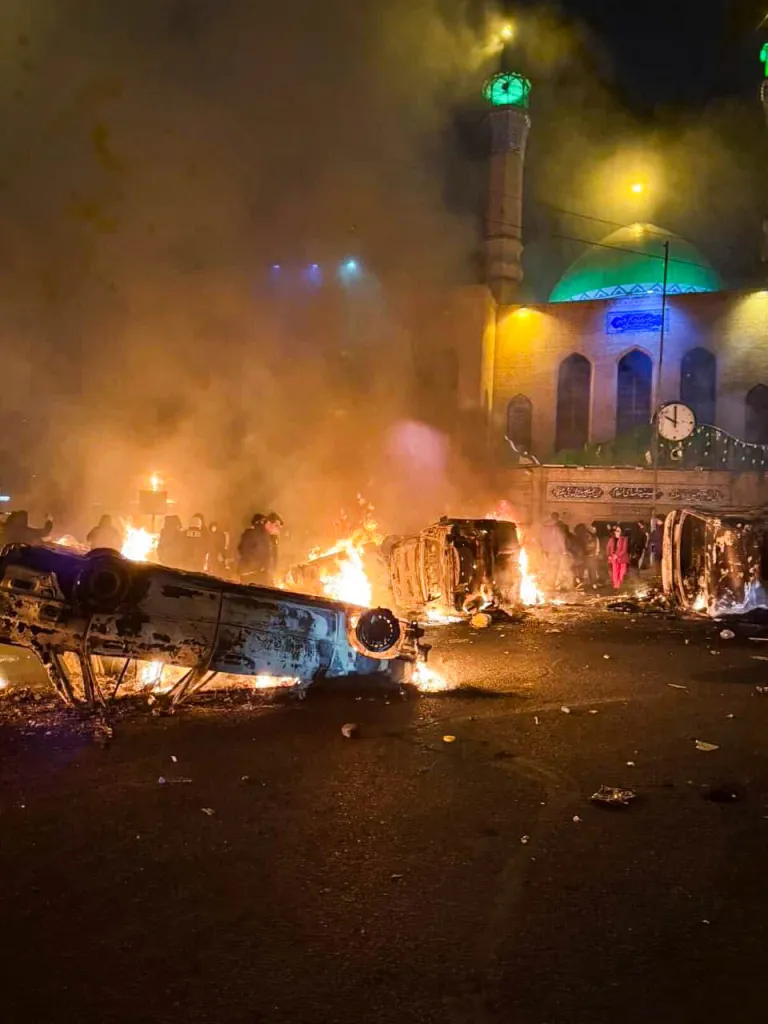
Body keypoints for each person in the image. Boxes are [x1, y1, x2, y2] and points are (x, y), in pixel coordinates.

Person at [237, 511, 283, 585]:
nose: (278, 530)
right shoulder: (253, 533)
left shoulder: (271, 539)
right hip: (252, 575)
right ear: (268, 523)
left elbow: (272, 557)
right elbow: (242, 549)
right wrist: (254, 566)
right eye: (276, 526)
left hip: (264, 576)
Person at [606, 525, 630, 590]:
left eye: (619, 531)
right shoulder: (611, 539)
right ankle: (616, 586)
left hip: (622, 558)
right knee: (615, 572)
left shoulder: (624, 539)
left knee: (622, 572)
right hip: (613, 558)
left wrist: (617, 555)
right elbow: (608, 548)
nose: (618, 532)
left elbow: (624, 550)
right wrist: (609, 556)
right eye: (616, 531)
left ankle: (620, 585)